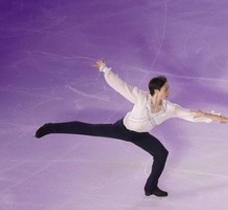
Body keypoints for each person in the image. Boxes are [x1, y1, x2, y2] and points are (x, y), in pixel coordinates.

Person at [34, 60, 212, 197]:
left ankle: (150, 188)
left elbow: (188, 114)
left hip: (140, 135)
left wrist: (209, 116)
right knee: (88, 128)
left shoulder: (169, 107)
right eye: (166, 89)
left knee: (161, 154)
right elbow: (120, 86)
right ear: (156, 91)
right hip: (122, 129)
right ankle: (50, 127)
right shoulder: (141, 98)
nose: (169, 91)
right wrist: (105, 69)